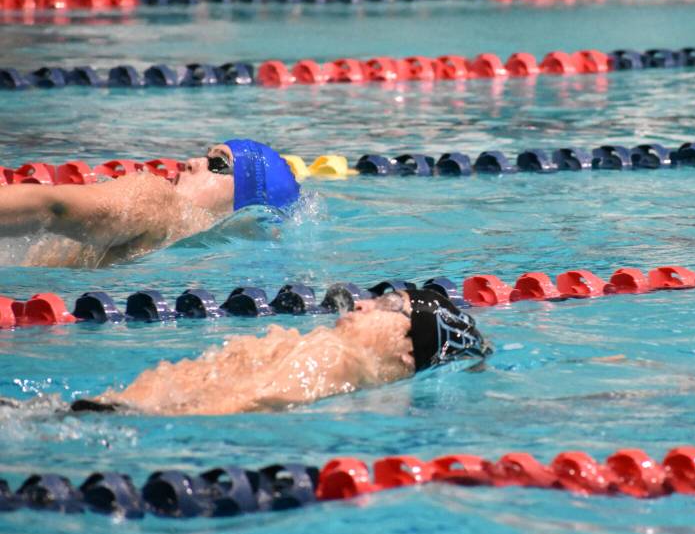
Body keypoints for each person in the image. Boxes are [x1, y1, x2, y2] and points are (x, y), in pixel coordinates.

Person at [64, 289, 491, 416]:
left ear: (408, 352)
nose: (363, 303)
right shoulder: (333, 362)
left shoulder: (333, 355)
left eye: (389, 305)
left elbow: (253, 397)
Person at [0, 139, 300, 268]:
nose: (192, 162)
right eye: (204, 155)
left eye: (218, 164)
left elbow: (50, 207)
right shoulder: (199, 266)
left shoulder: (155, 200)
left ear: (246, 202)